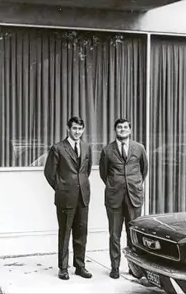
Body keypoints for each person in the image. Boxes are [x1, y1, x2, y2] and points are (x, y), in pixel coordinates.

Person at [44, 116, 93, 281]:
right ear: (68, 129)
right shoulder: (58, 148)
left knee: (81, 232)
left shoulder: (86, 147)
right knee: (65, 232)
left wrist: (81, 185)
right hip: (65, 197)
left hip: (83, 196)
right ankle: (63, 268)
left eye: (80, 129)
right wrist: (61, 187)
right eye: (74, 128)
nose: (77, 132)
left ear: (83, 130)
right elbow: (49, 173)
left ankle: (80, 266)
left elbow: (86, 171)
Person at [99, 118, 148, 279]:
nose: (122, 129)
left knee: (132, 233)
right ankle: (115, 267)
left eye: (125, 127)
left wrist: (134, 185)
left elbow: (144, 170)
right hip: (114, 197)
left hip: (133, 196)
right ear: (115, 130)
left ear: (130, 130)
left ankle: (134, 267)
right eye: (119, 127)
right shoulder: (107, 150)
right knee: (114, 234)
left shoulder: (139, 148)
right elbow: (103, 173)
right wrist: (116, 185)